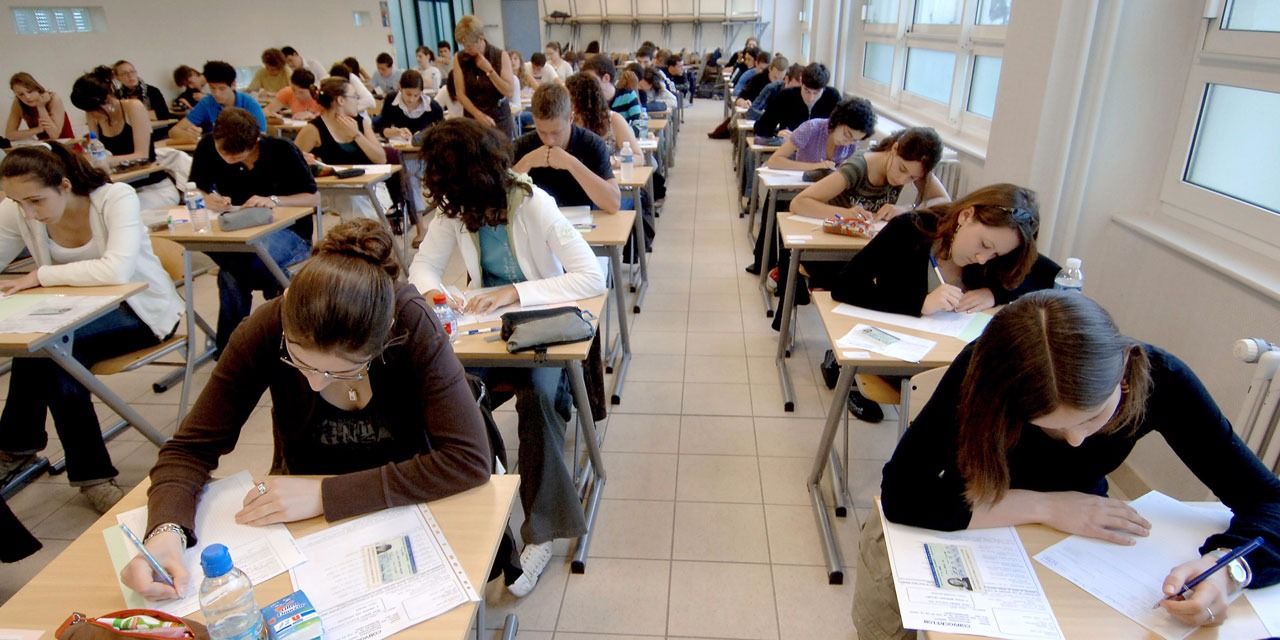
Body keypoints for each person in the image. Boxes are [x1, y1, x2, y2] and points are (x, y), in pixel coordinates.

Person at [855, 290, 1280, 639]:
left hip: (1070, 545)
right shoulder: (983, 373)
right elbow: (904, 497)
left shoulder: (1161, 380)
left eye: (1094, 418)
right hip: (963, 520)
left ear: (1124, 373)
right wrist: (1047, 506)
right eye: (1049, 427)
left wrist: (1229, 568)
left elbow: (1269, 500)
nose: (1077, 441)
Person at [120, 218, 493, 602]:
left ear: (383, 341)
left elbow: (467, 459)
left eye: (342, 371)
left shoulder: (409, 321)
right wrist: (166, 531)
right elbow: (189, 449)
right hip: (304, 521)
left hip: (411, 502)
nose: (315, 383)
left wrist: (324, 494)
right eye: (299, 362)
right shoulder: (266, 329)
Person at [409, 118, 605, 597]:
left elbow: (590, 277)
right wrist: (439, 295)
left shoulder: (532, 202)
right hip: (484, 328)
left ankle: (540, 531)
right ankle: (486, 487)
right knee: (449, 391)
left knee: (537, 399)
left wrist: (514, 292)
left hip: (541, 323)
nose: (450, 206)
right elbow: (423, 267)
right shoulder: (459, 207)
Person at [0, 144, 183, 513]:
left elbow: (116, 270)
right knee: (42, 350)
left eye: (35, 201)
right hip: (68, 316)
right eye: (18, 203)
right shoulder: (19, 209)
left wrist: (41, 275)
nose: (28, 213)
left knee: (52, 355)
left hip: (142, 311)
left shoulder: (115, 198)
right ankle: (56, 461)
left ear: (64, 185)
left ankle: (24, 450)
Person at [189, 107, 318, 354]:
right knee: (236, 266)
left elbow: (313, 198)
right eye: (223, 153)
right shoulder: (207, 146)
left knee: (234, 269)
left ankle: (231, 350)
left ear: (255, 141)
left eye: (238, 156)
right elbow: (198, 188)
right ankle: (243, 345)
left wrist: (274, 200)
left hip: (290, 233)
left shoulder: (281, 150)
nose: (229, 159)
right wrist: (209, 198)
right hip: (237, 231)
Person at [70, 68, 180, 210]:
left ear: (106, 100)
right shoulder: (92, 115)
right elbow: (95, 151)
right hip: (121, 189)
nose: (92, 114)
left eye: (93, 109)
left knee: (121, 212)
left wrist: (106, 160)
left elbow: (142, 155)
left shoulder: (133, 107)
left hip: (152, 187)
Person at [790, 127, 950, 223]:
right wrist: (848, 214)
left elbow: (944, 202)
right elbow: (799, 203)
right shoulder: (858, 167)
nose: (902, 180)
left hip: (866, 244)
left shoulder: (917, 166)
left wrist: (908, 209)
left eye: (912, 178)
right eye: (902, 169)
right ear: (894, 149)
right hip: (829, 243)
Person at [295, 77, 392, 221]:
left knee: (360, 201)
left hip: (369, 185)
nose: (357, 101)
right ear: (341, 100)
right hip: (333, 189)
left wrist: (357, 135)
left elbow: (381, 159)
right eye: (354, 97)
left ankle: (367, 232)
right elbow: (290, 161)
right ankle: (368, 232)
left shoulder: (361, 123)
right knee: (353, 200)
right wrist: (306, 161)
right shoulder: (314, 129)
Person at [513, 83, 620, 213]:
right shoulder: (523, 145)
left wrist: (572, 164)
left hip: (582, 222)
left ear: (571, 118)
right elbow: (499, 200)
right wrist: (526, 162)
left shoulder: (592, 144)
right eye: (542, 132)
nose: (549, 140)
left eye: (556, 132)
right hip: (536, 221)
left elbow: (613, 204)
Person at [374, 69, 443, 244]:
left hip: (428, 154)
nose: (412, 99)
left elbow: (443, 130)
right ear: (400, 89)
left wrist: (427, 135)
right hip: (404, 153)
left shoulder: (432, 106)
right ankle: (421, 228)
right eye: (408, 94)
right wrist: (396, 131)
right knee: (410, 182)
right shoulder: (391, 102)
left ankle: (442, 225)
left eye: (416, 95)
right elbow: (381, 128)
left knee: (438, 180)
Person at [766, 97, 877, 172]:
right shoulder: (811, 128)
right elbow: (774, 161)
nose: (847, 143)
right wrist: (816, 167)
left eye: (854, 140)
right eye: (846, 134)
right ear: (839, 120)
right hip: (799, 187)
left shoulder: (852, 144)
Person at [168, 60, 267, 143]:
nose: (216, 93)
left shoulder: (250, 104)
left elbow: (261, 137)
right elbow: (173, 131)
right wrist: (191, 135)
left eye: (222, 88)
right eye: (212, 88)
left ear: (233, 85)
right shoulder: (207, 103)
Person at [452, 15, 518, 138]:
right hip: (472, 117)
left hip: (498, 117)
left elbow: (509, 92)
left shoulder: (500, 55)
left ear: (480, 38)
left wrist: (490, 71)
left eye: (469, 45)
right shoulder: (459, 58)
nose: (466, 49)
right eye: (463, 45)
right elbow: (460, 93)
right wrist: (478, 115)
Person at [753, 62, 841, 140]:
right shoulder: (786, 96)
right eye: (806, 90)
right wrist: (776, 134)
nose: (811, 98)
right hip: (790, 150)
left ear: (824, 88)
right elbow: (760, 128)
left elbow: (841, 128)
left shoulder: (832, 97)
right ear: (801, 82)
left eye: (816, 93)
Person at [6, 73, 73, 141]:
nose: (27, 97)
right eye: (21, 94)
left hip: (67, 144)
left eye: (30, 91)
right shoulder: (18, 103)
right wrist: (38, 129)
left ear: (37, 88)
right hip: (44, 146)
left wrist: (41, 106)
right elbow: (9, 135)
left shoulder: (53, 98)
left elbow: (54, 135)